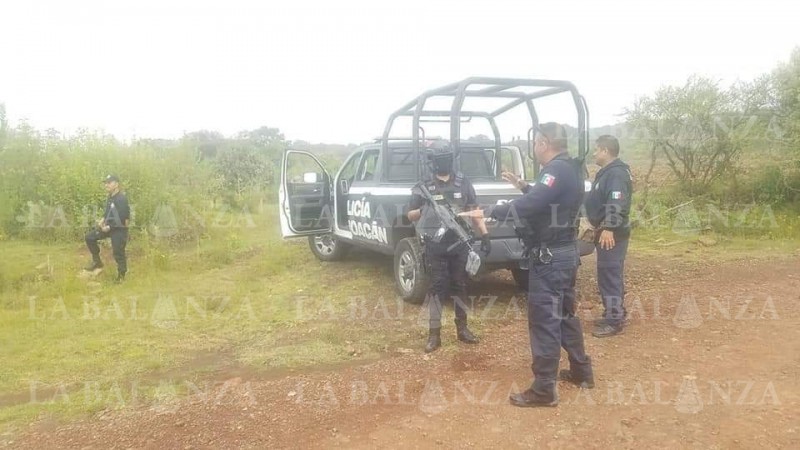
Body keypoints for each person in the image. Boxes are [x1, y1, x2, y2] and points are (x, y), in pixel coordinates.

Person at [460, 122, 594, 407]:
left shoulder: (556, 170)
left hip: (550, 258)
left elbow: (533, 205)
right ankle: (582, 371)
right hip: (565, 253)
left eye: (535, 142)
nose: (533, 147)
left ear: (544, 143)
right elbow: (545, 199)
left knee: (545, 321)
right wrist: (523, 185)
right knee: (565, 315)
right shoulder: (569, 168)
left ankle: (544, 390)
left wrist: (489, 210)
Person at [407, 144, 490, 353]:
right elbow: (410, 215)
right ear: (432, 162)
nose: (443, 162)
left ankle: (462, 329)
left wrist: (485, 234)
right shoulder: (424, 186)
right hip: (435, 245)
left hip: (460, 243)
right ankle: (434, 335)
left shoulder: (463, 183)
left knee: (460, 286)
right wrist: (424, 209)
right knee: (437, 287)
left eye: (446, 158)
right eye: (439, 159)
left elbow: (474, 210)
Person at [584, 135, 633, 338]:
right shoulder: (607, 173)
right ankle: (614, 312)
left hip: (611, 234)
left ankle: (614, 321)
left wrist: (609, 227)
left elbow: (617, 202)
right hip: (605, 230)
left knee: (610, 274)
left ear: (605, 151)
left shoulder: (616, 175)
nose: (594, 153)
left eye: (596, 150)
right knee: (608, 274)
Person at [84, 174, 130, 283]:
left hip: (119, 229)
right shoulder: (110, 197)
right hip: (108, 227)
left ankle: (121, 276)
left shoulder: (122, 199)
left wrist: (109, 227)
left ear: (116, 184)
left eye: (109, 182)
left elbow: (123, 219)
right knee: (90, 237)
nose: (106, 185)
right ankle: (97, 262)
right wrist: (103, 220)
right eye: (105, 183)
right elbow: (108, 213)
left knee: (118, 251)